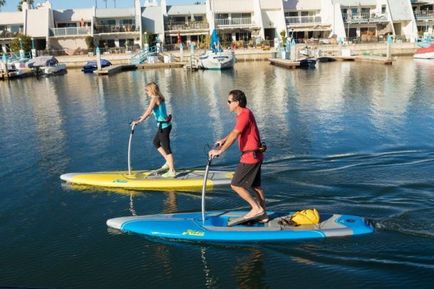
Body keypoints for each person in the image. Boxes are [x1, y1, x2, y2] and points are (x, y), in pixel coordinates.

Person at [209, 89, 267, 225]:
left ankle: (256, 208)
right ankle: (263, 214)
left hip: (250, 157)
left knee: (235, 184)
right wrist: (223, 139)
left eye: (229, 101)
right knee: (256, 186)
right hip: (256, 155)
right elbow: (236, 131)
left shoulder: (244, 114)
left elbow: (235, 134)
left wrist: (220, 151)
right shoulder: (243, 114)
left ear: (237, 102)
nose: (227, 104)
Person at [132, 82, 176, 178]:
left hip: (164, 127)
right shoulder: (159, 97)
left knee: (167, 148)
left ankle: (172, 171)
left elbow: (148, 111)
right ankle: (168, 163)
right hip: (164, 126)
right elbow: (154, 111)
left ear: (151, 90)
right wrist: (142, 117)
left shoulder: (154, 98)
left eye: (147, 91)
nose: (146, 93)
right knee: (156, 142)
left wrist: (138, 122)